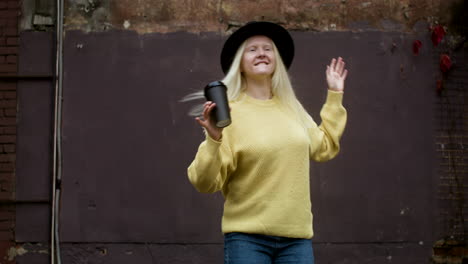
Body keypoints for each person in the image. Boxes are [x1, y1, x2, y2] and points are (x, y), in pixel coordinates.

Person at [186, 21, 348, 264]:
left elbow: (324, 147)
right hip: (247, 239)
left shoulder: (292, 108)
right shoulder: (230, 113)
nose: (261, 53)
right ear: (240, 64)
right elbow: (205, 182)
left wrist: (334, 96)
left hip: (296, 239)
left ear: (276, 61)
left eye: (267, 48)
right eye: (252, 49)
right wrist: (214, 139)